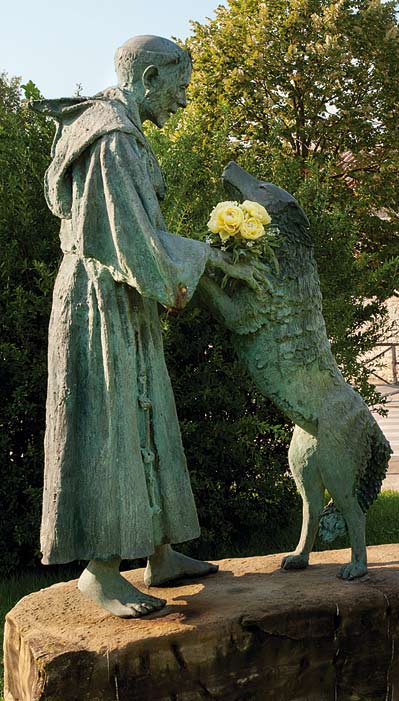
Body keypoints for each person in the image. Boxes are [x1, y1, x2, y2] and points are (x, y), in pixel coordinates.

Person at [31, 35, 259, 618]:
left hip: (121, 299)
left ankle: (160, 552)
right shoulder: (111, 140)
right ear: (150, 77)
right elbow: (133, 240)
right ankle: (101, 572)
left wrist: (203, 257)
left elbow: (137, 236)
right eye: (179, 88)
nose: (183, 101)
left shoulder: (118, 131)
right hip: (100, 302)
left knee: (147, 416)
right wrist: (208, 258)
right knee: (110, 425)